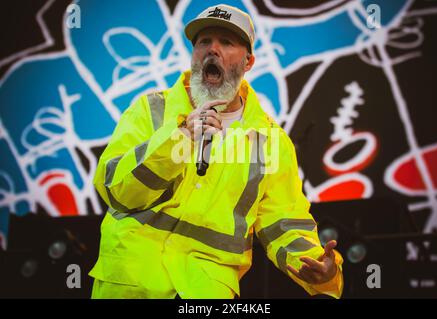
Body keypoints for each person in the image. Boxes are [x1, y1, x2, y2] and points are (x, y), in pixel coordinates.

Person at [89, 4, 343, 299]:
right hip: (130, 285)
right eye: (204, 42)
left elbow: (283, 221)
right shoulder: (150, 110)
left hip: (206, 292)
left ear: (248, 62)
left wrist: (320, 270)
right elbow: (115, 190)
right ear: (194, 53)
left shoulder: (270, 141)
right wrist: (179, 138)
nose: (213, 49)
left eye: (226, 42)